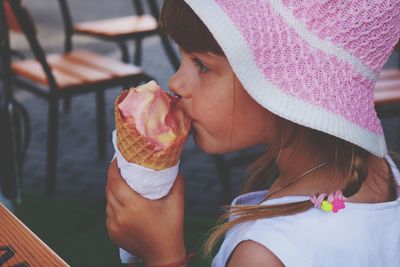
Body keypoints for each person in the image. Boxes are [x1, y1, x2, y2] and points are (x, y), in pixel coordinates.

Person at [105, 0, 400, 266]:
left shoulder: (262, 257)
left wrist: (162, 256)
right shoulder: (384, 178)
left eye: (201, 65)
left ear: (285, 84)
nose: (176, 83)